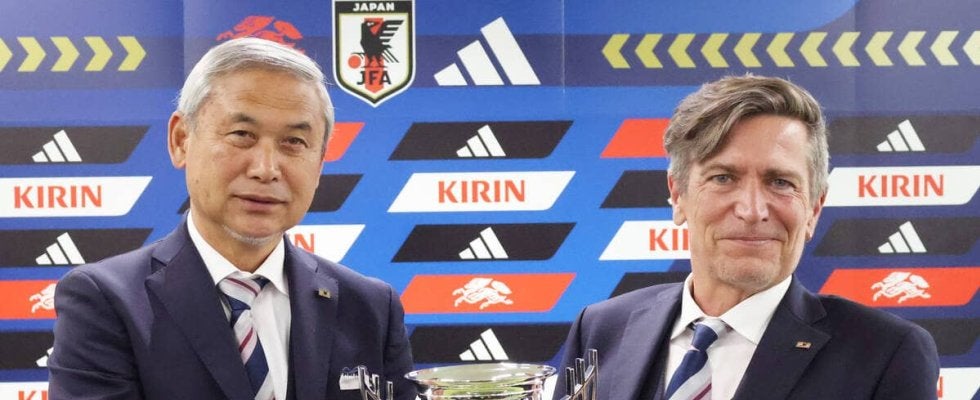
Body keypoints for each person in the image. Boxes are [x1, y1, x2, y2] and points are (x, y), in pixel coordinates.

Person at [48, 38, 417, 400]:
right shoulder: (106, 301)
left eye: (293, 142)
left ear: (319, 164)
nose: (266, 169)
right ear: (181, 140)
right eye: (242, 135)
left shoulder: (370, 307)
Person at [553, 75, 939, 400]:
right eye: (723, 178)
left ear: (814, 208)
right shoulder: (600, 329)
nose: (752, 210)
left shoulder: (886, 354)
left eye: (780, 182)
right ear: (678, 195)